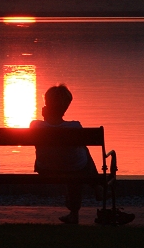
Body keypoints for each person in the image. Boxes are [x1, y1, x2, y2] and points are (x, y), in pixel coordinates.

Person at [30, 84, 104, 225]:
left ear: (46, 103)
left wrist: (45, 118)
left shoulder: (35, 125)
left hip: (45, 168)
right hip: (74, 168)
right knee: (81, 157)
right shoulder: (75, 127)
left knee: (76, 160)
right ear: (66, 106)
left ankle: (75, 211)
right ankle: (94, 188)